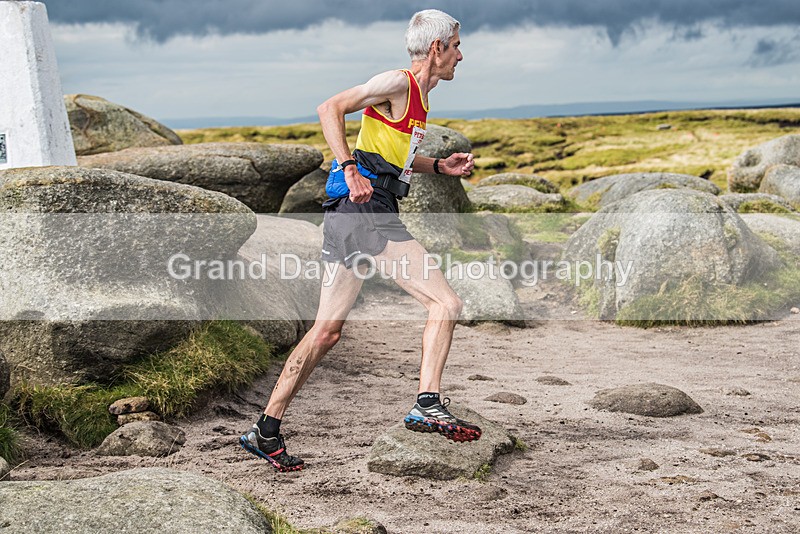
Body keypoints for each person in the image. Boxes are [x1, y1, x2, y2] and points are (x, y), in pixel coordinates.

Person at [240, 9, 479, 472]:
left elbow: (388, 158)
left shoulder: (418, 99)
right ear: (436, 49)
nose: (460, 55)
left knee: (326, 332)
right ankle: (427, 403)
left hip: (350, 218)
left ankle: (264, 431)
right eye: (455, 46)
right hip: (366, 213)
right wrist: (348, 168)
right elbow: (328, 107)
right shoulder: (399, 81)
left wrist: (438, 166)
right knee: (445, 304)